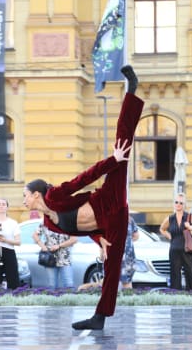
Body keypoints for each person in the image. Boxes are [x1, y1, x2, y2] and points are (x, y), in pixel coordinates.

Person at [23, 65, 143, 330]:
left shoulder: (54, 195)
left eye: (25, 196)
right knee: (111, 268)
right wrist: (101, 241)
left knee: (122, 144)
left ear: (36, 194)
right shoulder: (49, 223)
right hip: (110, 225)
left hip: (107, 200)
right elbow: (82, 228)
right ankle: (99, 318)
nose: (23, 202)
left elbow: (84, 178)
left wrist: (114, 161)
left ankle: (131, 90)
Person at [159, 193, 192, 292]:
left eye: (181, 203)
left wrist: (190, 227)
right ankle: (175, 293)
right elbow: (162, 229)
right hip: (174, 249)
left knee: (190, 272)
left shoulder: (190, 217)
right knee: (175, 273)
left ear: (184, 205)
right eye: (176, 202)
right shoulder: (170, 218)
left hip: (187, 249)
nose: (178, 204)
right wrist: (170, 237)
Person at [32, 223, 77, 289]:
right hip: (50, 257)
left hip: (65, 258)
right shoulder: (45, 223)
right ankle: (52, 299)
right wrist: (43, 247)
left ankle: (70, 299)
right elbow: (34, 235)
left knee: (69, 284)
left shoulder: (67, 222)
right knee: (52, 285)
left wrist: (59, 246)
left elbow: (74, 239)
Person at [121, 215, 139, 289]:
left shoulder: (130, 220)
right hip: (125, 255)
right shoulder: (129, 220)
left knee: (126, 281)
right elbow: (136, 236)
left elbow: (136, 235)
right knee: (126, 280)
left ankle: (126, 298)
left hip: (127, 256)